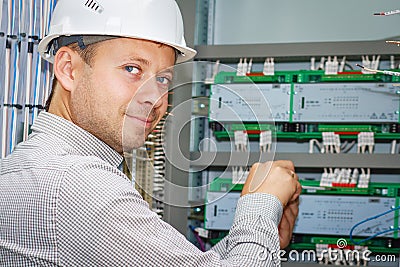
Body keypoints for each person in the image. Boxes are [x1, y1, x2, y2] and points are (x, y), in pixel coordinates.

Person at [0, 0, 301, 266]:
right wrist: (262, 203)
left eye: (163, 79)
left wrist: (261, 242)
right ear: (68, 69)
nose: (154, 97)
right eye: (132, 69)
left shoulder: (31, 166)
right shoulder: (80, 184)